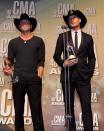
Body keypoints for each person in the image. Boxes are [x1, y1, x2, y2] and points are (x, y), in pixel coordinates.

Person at [53, 10, 96, 131]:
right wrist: (63, 63)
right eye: (70, 18)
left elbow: (92, 57)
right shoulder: (63, 36)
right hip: (67, 76)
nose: (72, 19)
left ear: (80, 20)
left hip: (83, 76)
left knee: (86, 106)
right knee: (69, 107)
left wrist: (89, 72)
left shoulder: (88, 38)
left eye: (74, 17)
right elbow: (56, 55)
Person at [3, 13, 45, 131]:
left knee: (36, 111)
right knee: (18, 111)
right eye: (22, 23)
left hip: (34, 79)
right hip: (18, 79)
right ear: (19, 26)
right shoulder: (13, 42)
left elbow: (41, 60)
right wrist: (7, 69)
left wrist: (39, 76)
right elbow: (10, 62)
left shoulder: (39, 41)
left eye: (26, 22)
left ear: (31, 25)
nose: (24, 24)